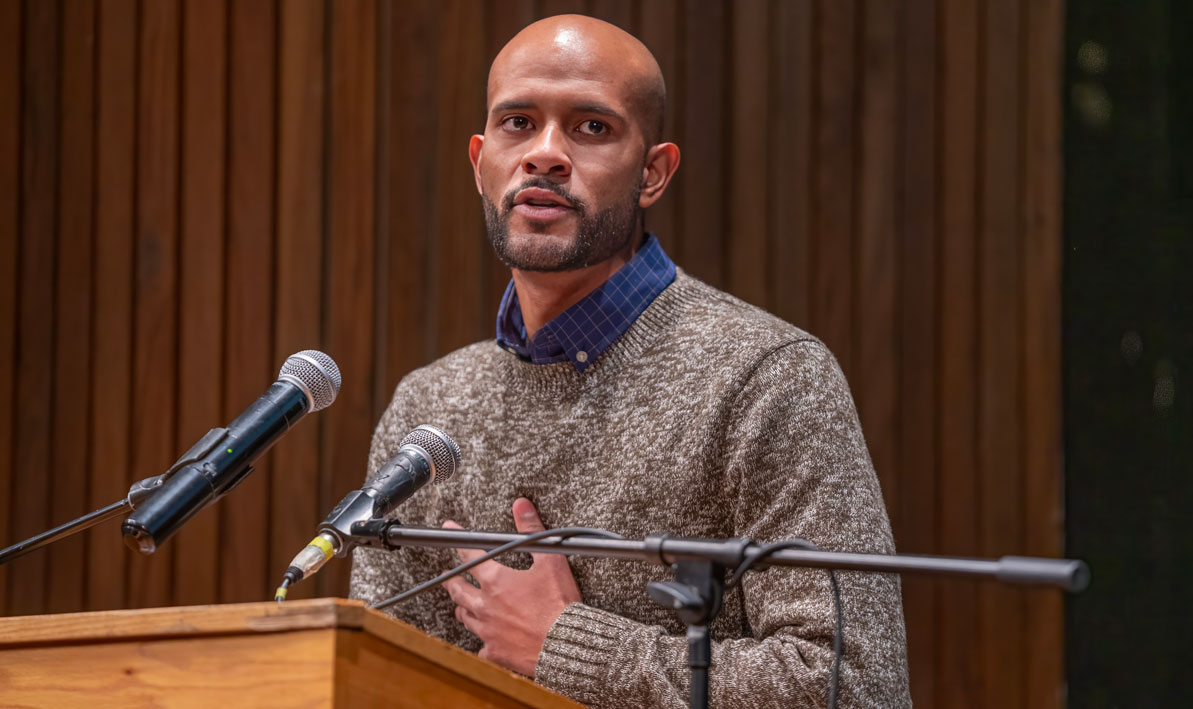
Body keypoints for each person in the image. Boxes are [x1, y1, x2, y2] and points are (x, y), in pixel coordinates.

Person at [350, 14, 910, 708]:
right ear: (479, 162)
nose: (545, 154)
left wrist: (565, 643)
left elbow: (855, 688)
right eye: (517, 123)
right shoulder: (429, 409)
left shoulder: (767, 378)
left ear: (652, 173)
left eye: (591, 127)